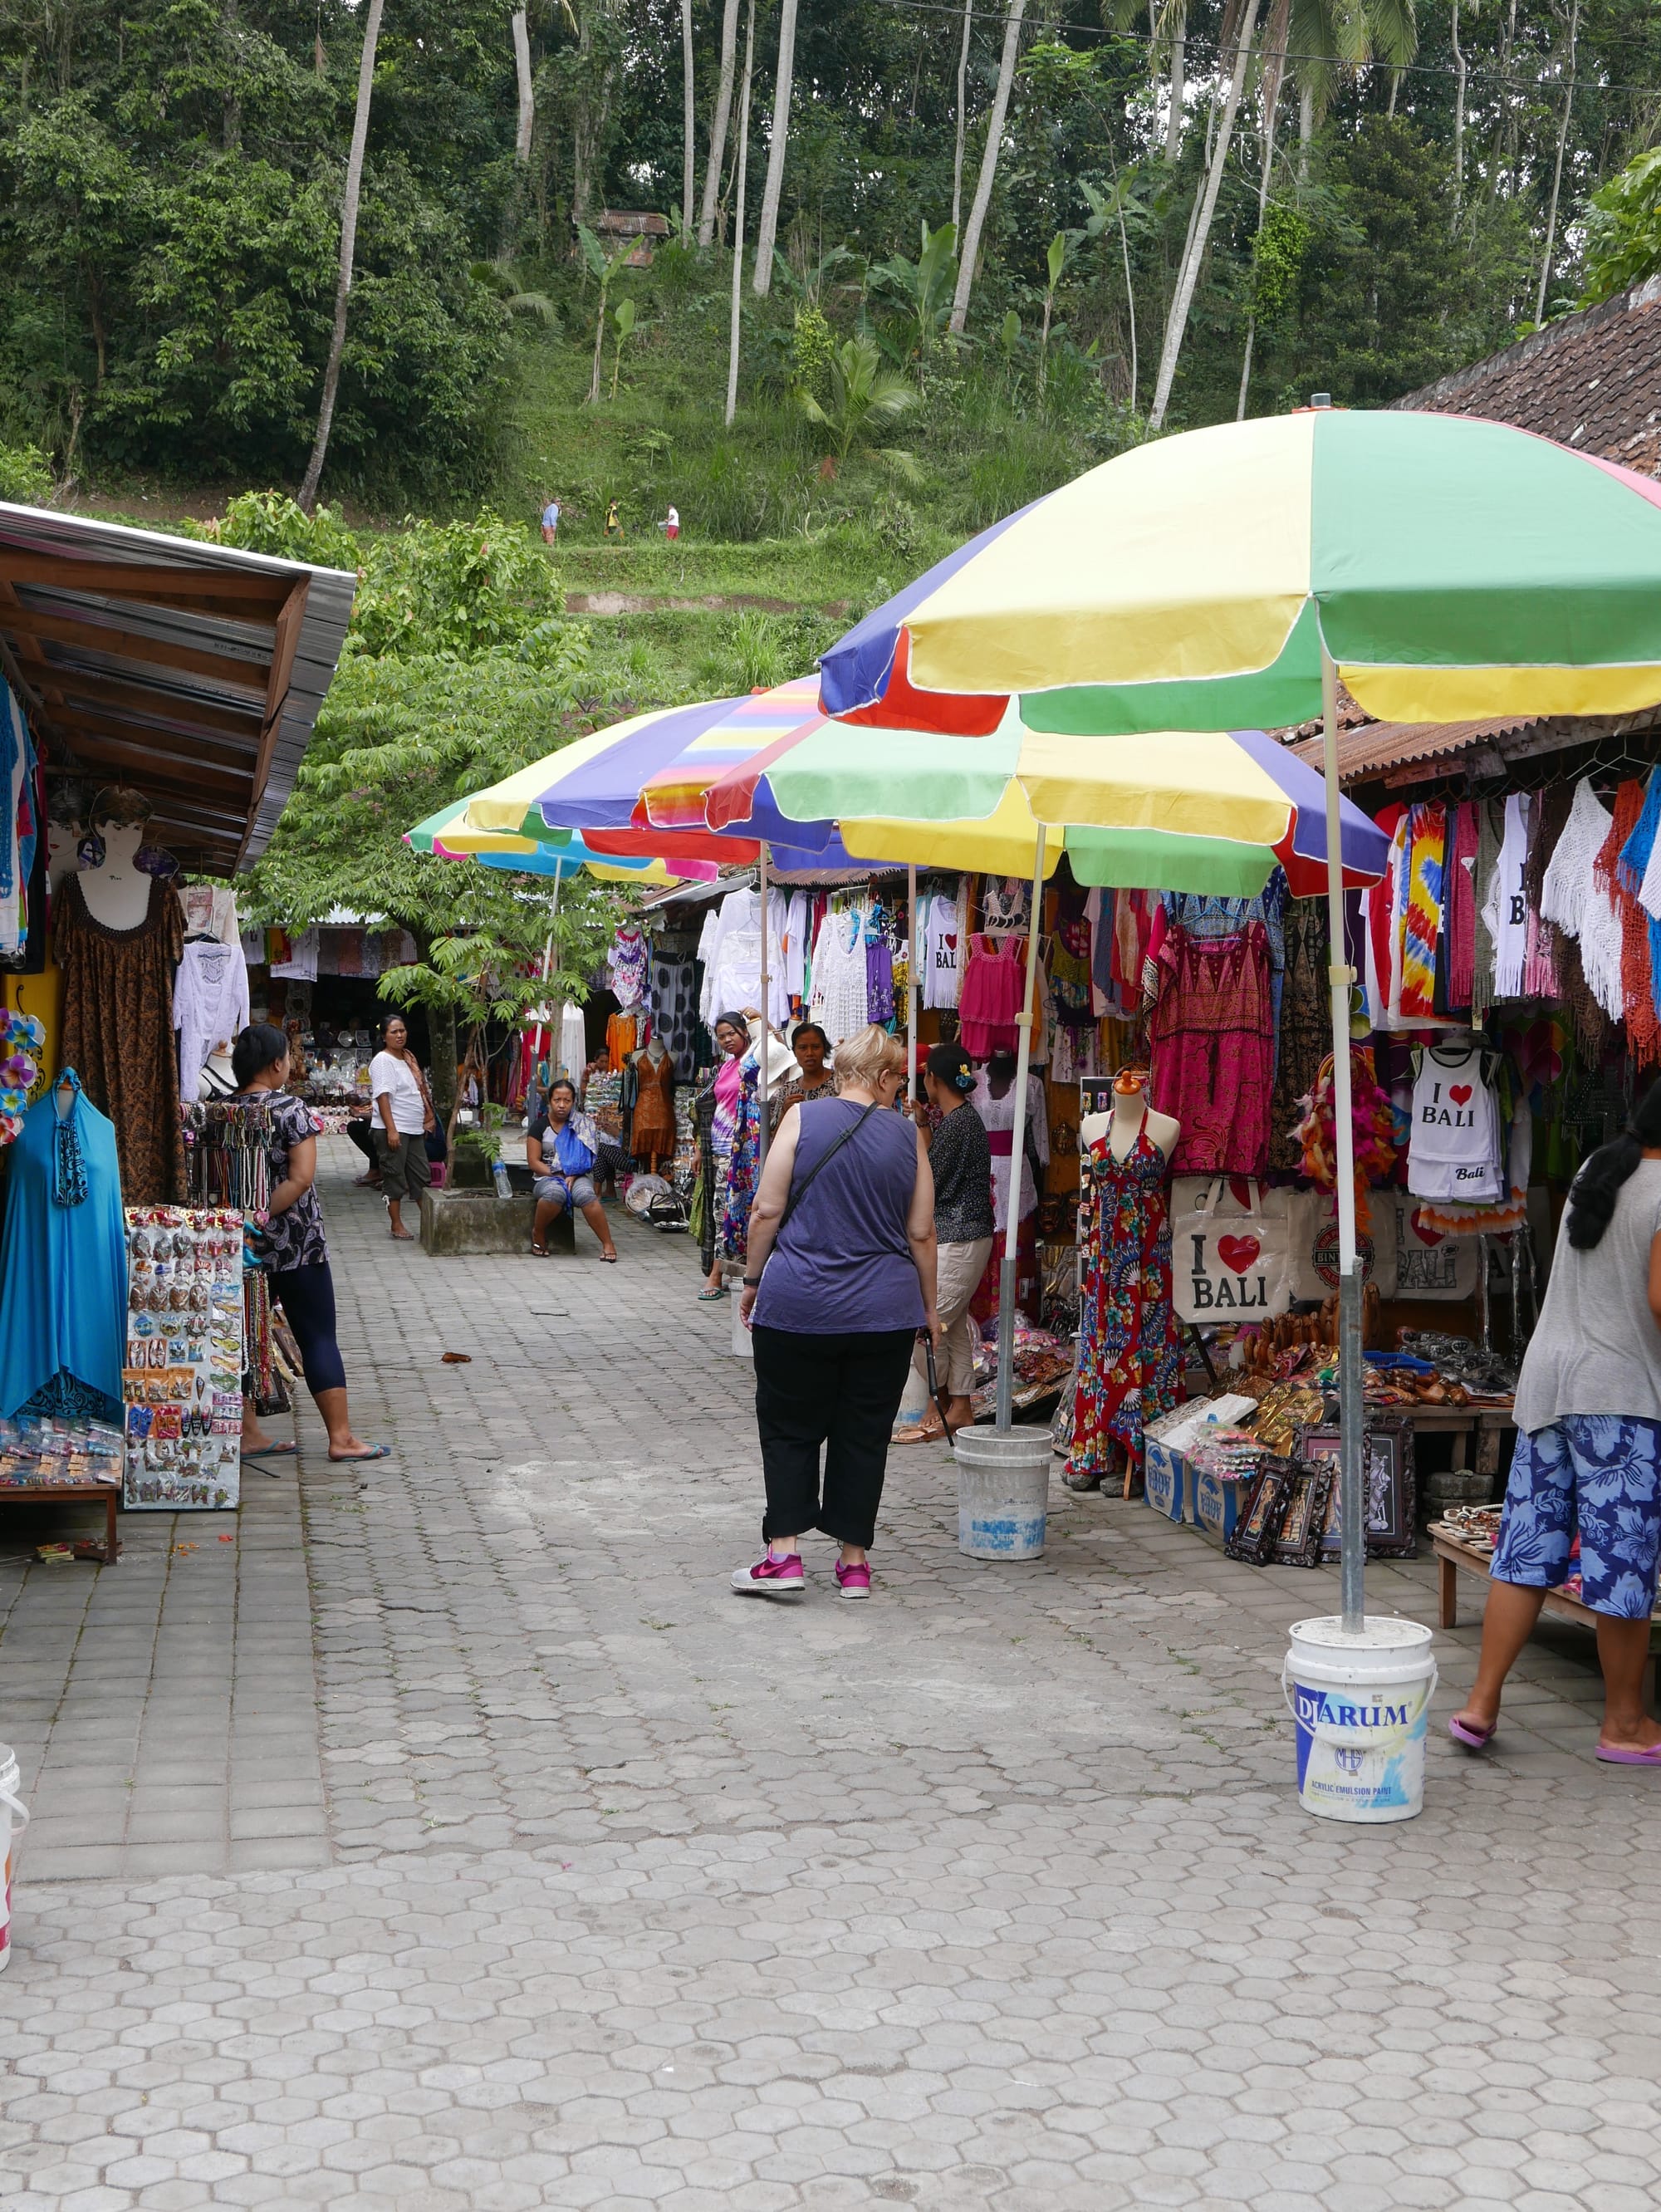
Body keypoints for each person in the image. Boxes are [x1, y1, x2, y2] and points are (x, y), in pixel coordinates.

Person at [1450, 1084, 1661, 1763]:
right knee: (1622, 1566)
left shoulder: (1597, 1167)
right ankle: (1625, 1724)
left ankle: (1481, 1702)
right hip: (1617, 1396)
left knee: (1526, 1549)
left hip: (1549, 1383)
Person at [733, 1025, 941, 1602]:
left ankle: (784, 1555)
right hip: (884, 1313)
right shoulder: (909, 1136)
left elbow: (766, 1209)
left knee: (789, 1426)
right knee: (863, 1433)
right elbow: (922, 1233)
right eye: (899, 1074)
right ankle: (853, 1564)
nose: (904, 1084)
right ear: (878, 1077)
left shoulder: (800, 1118)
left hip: (798, 1304)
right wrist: (928, 1306)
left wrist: (752, 1281)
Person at [231, 1023, 389, 1465]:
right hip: (295, 1244)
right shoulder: (290, 1109)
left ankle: (247, 1433)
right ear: (277, 1063)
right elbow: (300, 1179)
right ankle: (340, 1438)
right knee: (318, 1336)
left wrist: (242, 1223)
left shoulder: (218, 1110)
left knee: (240, 1336)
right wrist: (260, 1216)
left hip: (237, 1245)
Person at [896, 1040, 996, 1443]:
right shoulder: (959, 1120)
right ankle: (959, 1409)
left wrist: (919, 1130)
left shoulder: (959, 1124)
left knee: (925, 1326)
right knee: (949, 1329)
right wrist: (923, 1122)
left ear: (931, 1078)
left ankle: (946, 1406)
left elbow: (928, 1176)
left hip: (961, 1235)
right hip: (960, 1234)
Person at [527, 1078, 617, 1261]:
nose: (561, 1105)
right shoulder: (539, 1127)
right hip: (546, 1176)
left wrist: (573, 1174)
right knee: (555, 1192)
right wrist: (557, 1174)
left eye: (567, 1101)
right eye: (557, 1100)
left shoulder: (581, 1125)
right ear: (550, 1101)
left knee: (586, 1194)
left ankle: (608, 1244)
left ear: (573, 1102)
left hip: (577, 1176)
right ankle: (538, 1233)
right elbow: (533, 1162)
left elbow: (587, 1158)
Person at [698, 1011, 752, 1300]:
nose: (727, 1040)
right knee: (721, 1212)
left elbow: (775, 1044)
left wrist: (762, 1022)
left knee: (728, 1213)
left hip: (739, 1149)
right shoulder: (726, 1066)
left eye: (731, 1033)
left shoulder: (753, 1060)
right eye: (721, 1036)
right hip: (718, 1148)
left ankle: (717, 1274)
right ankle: (726, 1270)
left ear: (744, 1031)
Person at [369, 1014, 435, 1242]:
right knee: (394, 1177)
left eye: (402, 1031)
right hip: (394, 1129)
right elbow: (382, 1097)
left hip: (413, 1127)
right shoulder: (382, 1061)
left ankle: (431, 1222)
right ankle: (396, 1224)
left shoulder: (407, 1059)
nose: (399, 1035)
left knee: (421, 1175)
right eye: (394, 1032)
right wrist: (392, 1130)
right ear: (384, 1036)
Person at [772, 1022, 838, 1127]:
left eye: (816, 1047)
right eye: (803, 1048)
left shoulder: (840, 1084)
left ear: (824, 1049)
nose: (810, 1053)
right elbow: (775, 1138)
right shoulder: (786, 1092)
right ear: (794, 1052)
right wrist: (785, 1112)